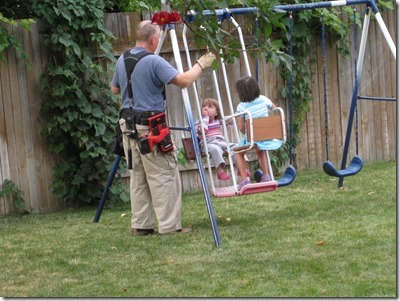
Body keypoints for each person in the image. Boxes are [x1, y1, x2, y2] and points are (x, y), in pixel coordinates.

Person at [110, 20, 215, 236]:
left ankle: (141, 225)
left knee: (138, 176)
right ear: (154, 40)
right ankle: (169, 226)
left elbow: (114, 89)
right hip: (150, 128)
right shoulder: (153, 61)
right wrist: (201, 65)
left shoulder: (123, 58)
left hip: (127, 126)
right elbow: (184, 80)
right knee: (164, 174)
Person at [234, 75, 280, 190]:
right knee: (260, 151)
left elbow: (240, 127)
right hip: (265, 136)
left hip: (251, 137)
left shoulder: (242, 106)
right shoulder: (264, 99)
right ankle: (266, 175)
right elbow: (275, 109)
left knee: (239, 154)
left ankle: (245, 181)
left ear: (241, 93)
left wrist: (246, 133)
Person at [197, 98, 234, 181]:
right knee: (215, 149)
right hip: (207, 144)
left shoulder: (217, 121)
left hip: (220, 142)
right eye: (204, 106)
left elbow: (232, 125)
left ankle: (242, 167)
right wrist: (205, 118)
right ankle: (220, 171)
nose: (206, 108)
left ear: (216, 113)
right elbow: (203, 130)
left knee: (236, 146)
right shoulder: (200, 121)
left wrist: (228, 119)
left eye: (210, 107)